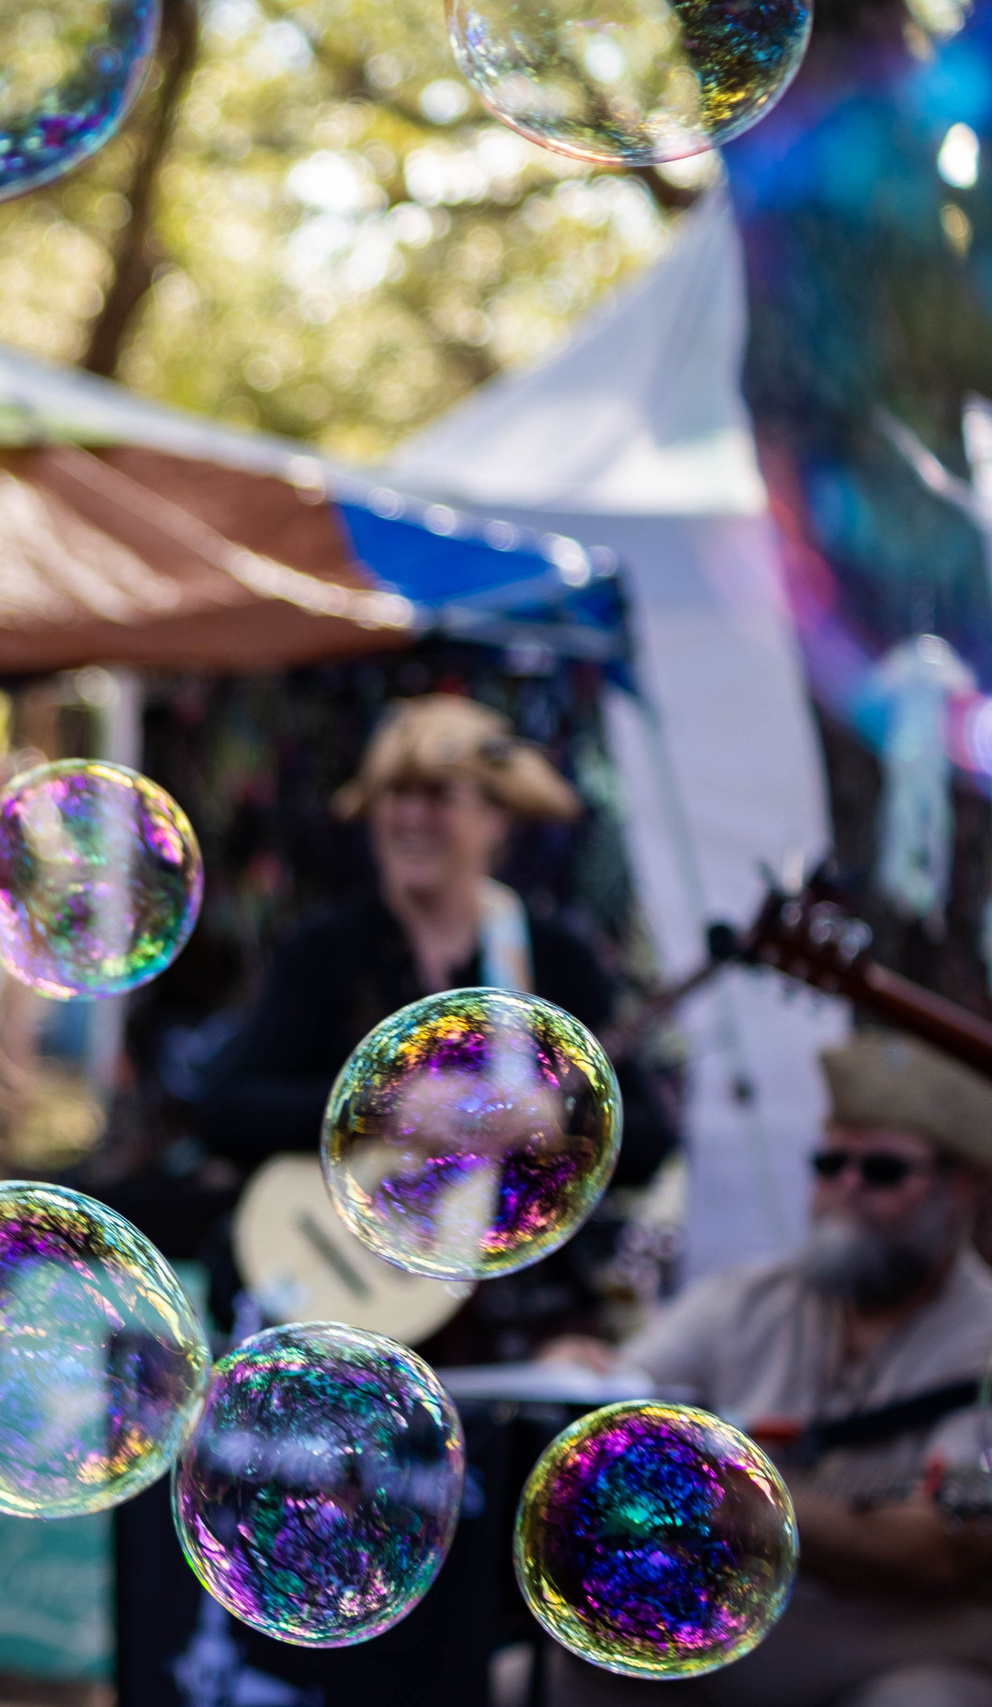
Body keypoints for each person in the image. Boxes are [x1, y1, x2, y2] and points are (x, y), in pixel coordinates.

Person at [196, 693, 673, 1353]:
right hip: (345, 1323)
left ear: (495, 818)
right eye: (395, 794)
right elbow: (223, 1109)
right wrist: (385, 1104)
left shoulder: (553, 958)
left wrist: (558, 1123)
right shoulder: (329, 949)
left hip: (511, 1329)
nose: (410, 816)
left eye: (437, 795)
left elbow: (649, 1140)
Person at [543, 1031, 992, 1707]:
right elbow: (624, 1394)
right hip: (725, 1638)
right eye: (829, 1161)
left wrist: (749, 1508)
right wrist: (575, 1375)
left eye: (882, 1171)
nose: (846, 1187)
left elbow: (942, 1548)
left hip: (899, 1647)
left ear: (959, 1190)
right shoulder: (748, 1297)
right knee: (559, 1672)